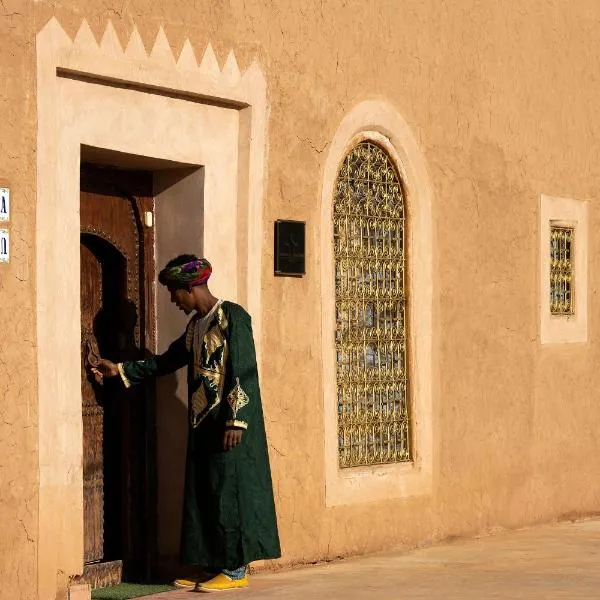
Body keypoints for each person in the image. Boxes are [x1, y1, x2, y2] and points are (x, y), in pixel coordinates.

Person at [92, 255, 281, 593]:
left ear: (189, 288)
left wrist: (236, 421)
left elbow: (244, 370)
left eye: (174, 294)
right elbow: (165, 362)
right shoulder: (196, 328)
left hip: (230, 426)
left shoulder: (232, 318)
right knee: (204, 492)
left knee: (229, 492)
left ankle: (236, 569)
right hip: (202, 424)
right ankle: (212, 565)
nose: (173, 301)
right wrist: (120, 370)